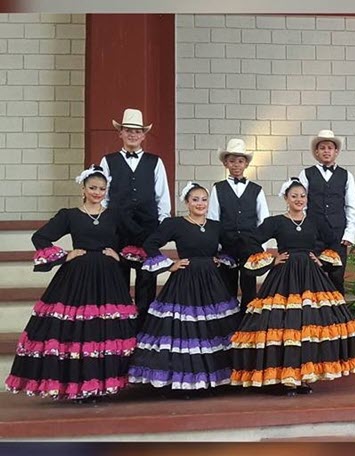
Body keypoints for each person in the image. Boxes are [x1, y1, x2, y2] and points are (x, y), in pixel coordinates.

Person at [5, 166, 137, 402]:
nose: (97, 192)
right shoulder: (69, 215)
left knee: (105, 329)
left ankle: (104, 385)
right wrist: (66, 255)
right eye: (93, 188)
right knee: (77, 329)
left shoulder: (114, 215)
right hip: (77, 276)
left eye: (102, 189)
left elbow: (138, 237)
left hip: (108, 277)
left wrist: (119, 256)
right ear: (83, 189)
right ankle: (77, 385)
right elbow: (40, 236)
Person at [230, 178, 355, 395]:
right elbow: (250, 238)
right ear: (286, 198)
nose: (299, 199)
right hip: (284, 277)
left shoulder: (314, 221)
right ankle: (285, 378)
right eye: (294, 196)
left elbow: (333, 240)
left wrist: (321, 259)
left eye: (302, 196)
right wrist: (272, 259)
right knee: (284, 323)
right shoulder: (276, 222)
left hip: (311, 277)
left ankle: (303, 378)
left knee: (308, 324)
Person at [128, 182, 241, 395]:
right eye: (195, 200)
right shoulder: (175, 224)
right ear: (187, 203)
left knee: (212, 329)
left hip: (212, 283)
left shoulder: (216, 226)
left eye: (204, 200)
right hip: (185, 281)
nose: (200, 203)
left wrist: (221, 258)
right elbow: (150, 243)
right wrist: (169, 265)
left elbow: (232, 245)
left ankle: (214, 379)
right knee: (185, 329)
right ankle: (185, 381)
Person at [99, 108, 171, 327]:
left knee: (146, 277)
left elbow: (162, 195)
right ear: (120, 133)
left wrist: (162, 225)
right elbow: (103, 195)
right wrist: (104, 223)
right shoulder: (108, 160)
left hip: (147, 226)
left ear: (143, 135)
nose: (132, 134)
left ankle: (144, 324)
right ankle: (120, 323)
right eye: (128, 130)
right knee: (118, 274)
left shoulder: (155, 162)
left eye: (137, 131)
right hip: (118, 227)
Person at [208, 138, 270, 311]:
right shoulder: (218, 188)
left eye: (240, 161)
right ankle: (229, 317)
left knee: (249, 285)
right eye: (232, 161)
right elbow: (213, 218)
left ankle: (247, 318)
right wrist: (216, 246)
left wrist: (261, 246)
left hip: (249, 246)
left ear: (246, 164)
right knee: (227, 284)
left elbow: (263, 220)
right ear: (225, 163)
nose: (236, 165)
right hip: (226, 244)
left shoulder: (256, 189)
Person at [297, 130, 355, 294]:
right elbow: (300, 204)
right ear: (316, 152)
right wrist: (303, 230)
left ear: (336, 151)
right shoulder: (306, 174)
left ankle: (338, 308)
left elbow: (351, 206)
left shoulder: (346, 175)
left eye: (330, 148)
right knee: (313, 274)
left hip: (338, 234)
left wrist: (349, 234)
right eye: (322, 148)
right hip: (314, 233)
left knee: (337, 275)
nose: (326, 151)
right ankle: (314, 308)